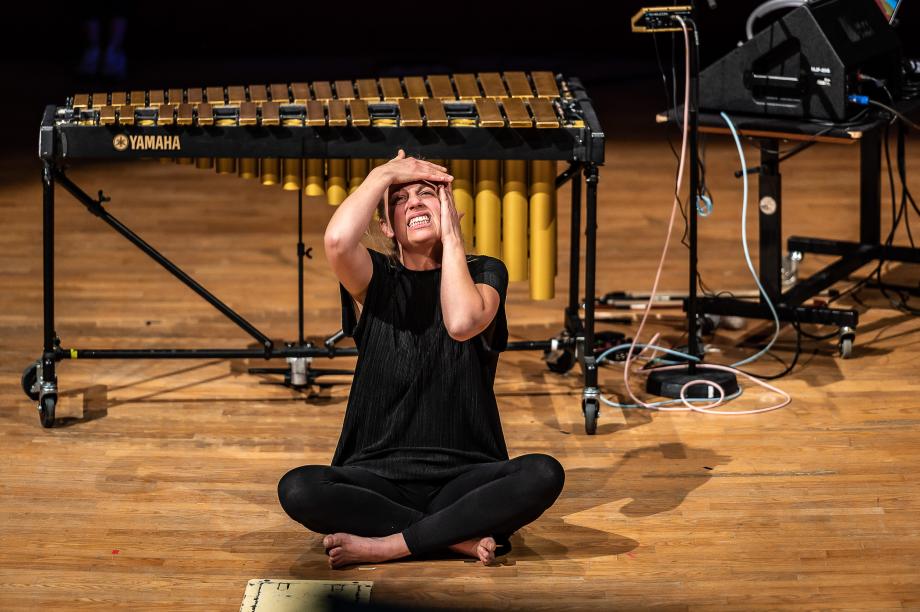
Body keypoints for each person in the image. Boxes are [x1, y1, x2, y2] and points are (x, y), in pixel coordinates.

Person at [277, 150, 565, 569]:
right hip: (376, 478)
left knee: (543, 473)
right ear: (387, 228)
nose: (413, 202)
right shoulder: (375, 279)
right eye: (400, 200)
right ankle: (453, 538)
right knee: (298, 488)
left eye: (427, 194)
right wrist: (384, 174)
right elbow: (337, 241)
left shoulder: (486, 273)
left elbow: (461, 322)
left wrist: (452, 238)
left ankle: (388, 545)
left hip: (464, 480)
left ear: (453, 210)